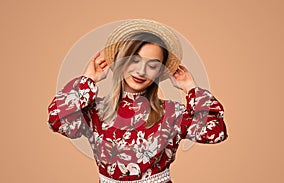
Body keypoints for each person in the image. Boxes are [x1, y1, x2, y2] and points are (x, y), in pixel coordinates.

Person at [47, 19, 228, 183]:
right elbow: (57, 120)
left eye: (152, 65)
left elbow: (215, 132)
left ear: (160, 72)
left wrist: (190, 88)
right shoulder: (95, 112)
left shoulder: (173, 114)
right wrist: (88, 79)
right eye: (134, 60)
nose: (141, 71)